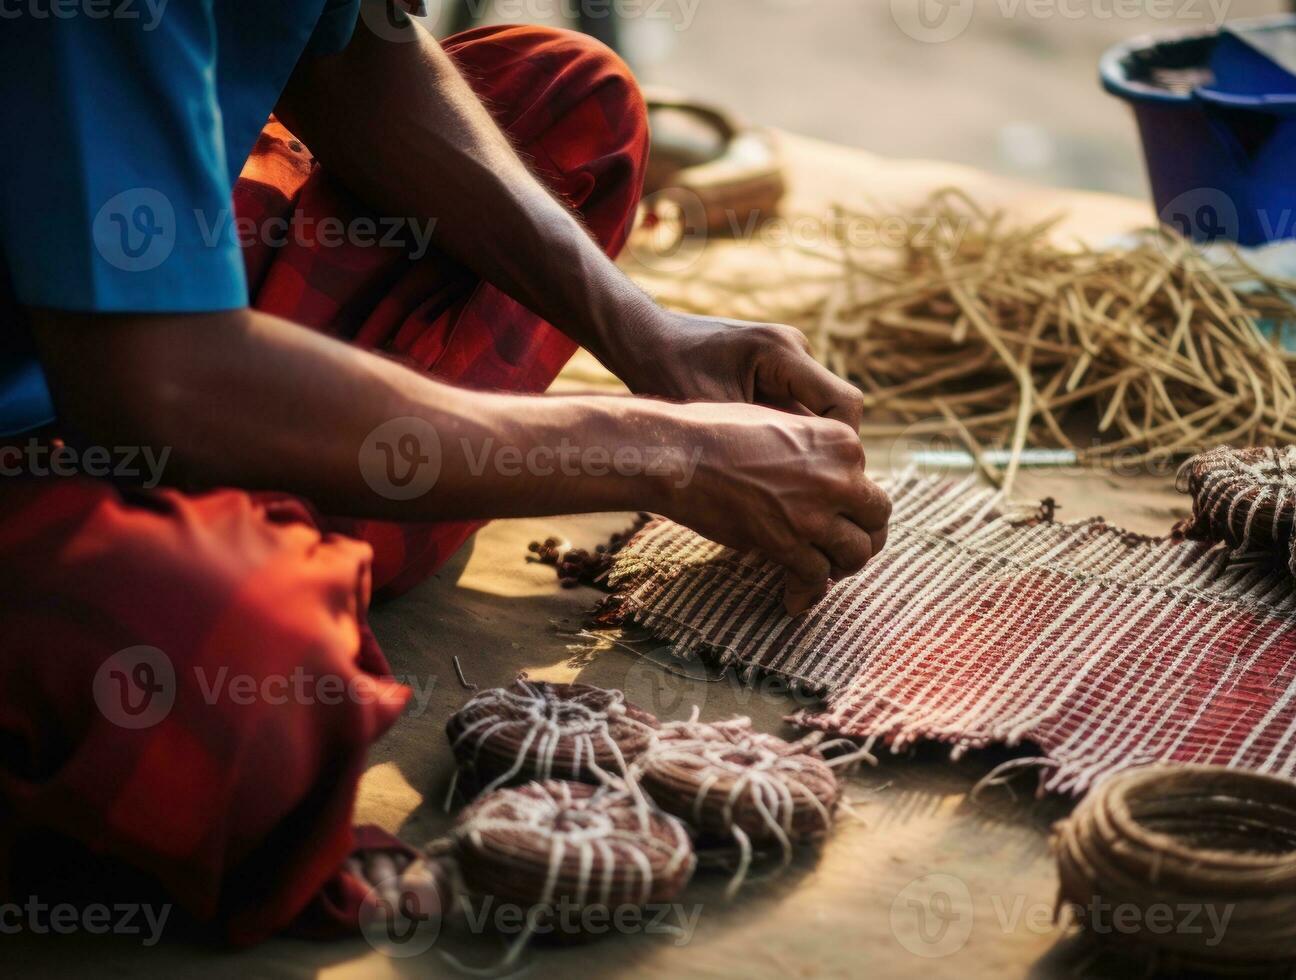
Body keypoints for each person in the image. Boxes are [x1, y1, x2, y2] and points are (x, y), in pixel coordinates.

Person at [0, 3, 890, 944]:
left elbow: (347, 56)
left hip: (111, 323)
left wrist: (650, 335)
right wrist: (663, 453)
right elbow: (158, 389)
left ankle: (257, 499)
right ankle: (218, 554)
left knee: (567, 104)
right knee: (248, 671)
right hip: (120, 385)